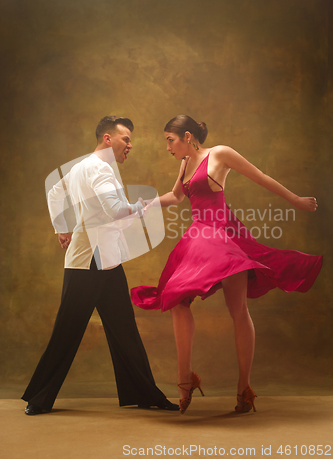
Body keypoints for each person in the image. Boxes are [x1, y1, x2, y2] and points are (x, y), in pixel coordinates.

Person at [131, 115, 323, 414]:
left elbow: (261, 177)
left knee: (238, 310)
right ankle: (185, 379)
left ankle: (244, 388)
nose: (167, 147)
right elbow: (177, 196)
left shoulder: (219, 154)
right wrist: (149, 205)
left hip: (224, 236)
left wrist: (295, 199)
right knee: (176, 298)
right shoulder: (184, 164)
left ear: (187, 136)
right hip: (199, 238)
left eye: (170, 140)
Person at [22, 116, 179, 415]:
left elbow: (55, 191)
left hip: (105, 259)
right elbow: (116, 211)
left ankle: (146, 394)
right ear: (108, 139)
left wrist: (61, 227)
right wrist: (142, 207)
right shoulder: (101, 170)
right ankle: (39, 399)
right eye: (126, 139)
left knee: (124, 330)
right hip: (88, 262)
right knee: (67, 331)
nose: (130, 146)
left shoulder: (83, 166)